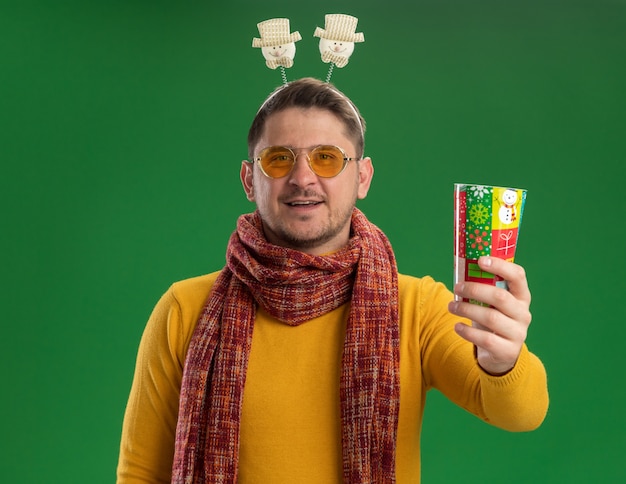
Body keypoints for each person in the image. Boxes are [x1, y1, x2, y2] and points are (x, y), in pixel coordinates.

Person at [116, 77, 549, 484]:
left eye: (326, 158)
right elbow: (140, 473)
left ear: (362, 177)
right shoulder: (183, 309)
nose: (303, 178)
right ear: (250, 179)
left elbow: (521, 414)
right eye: (279, 158)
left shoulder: (416, 306)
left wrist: (502, 361)